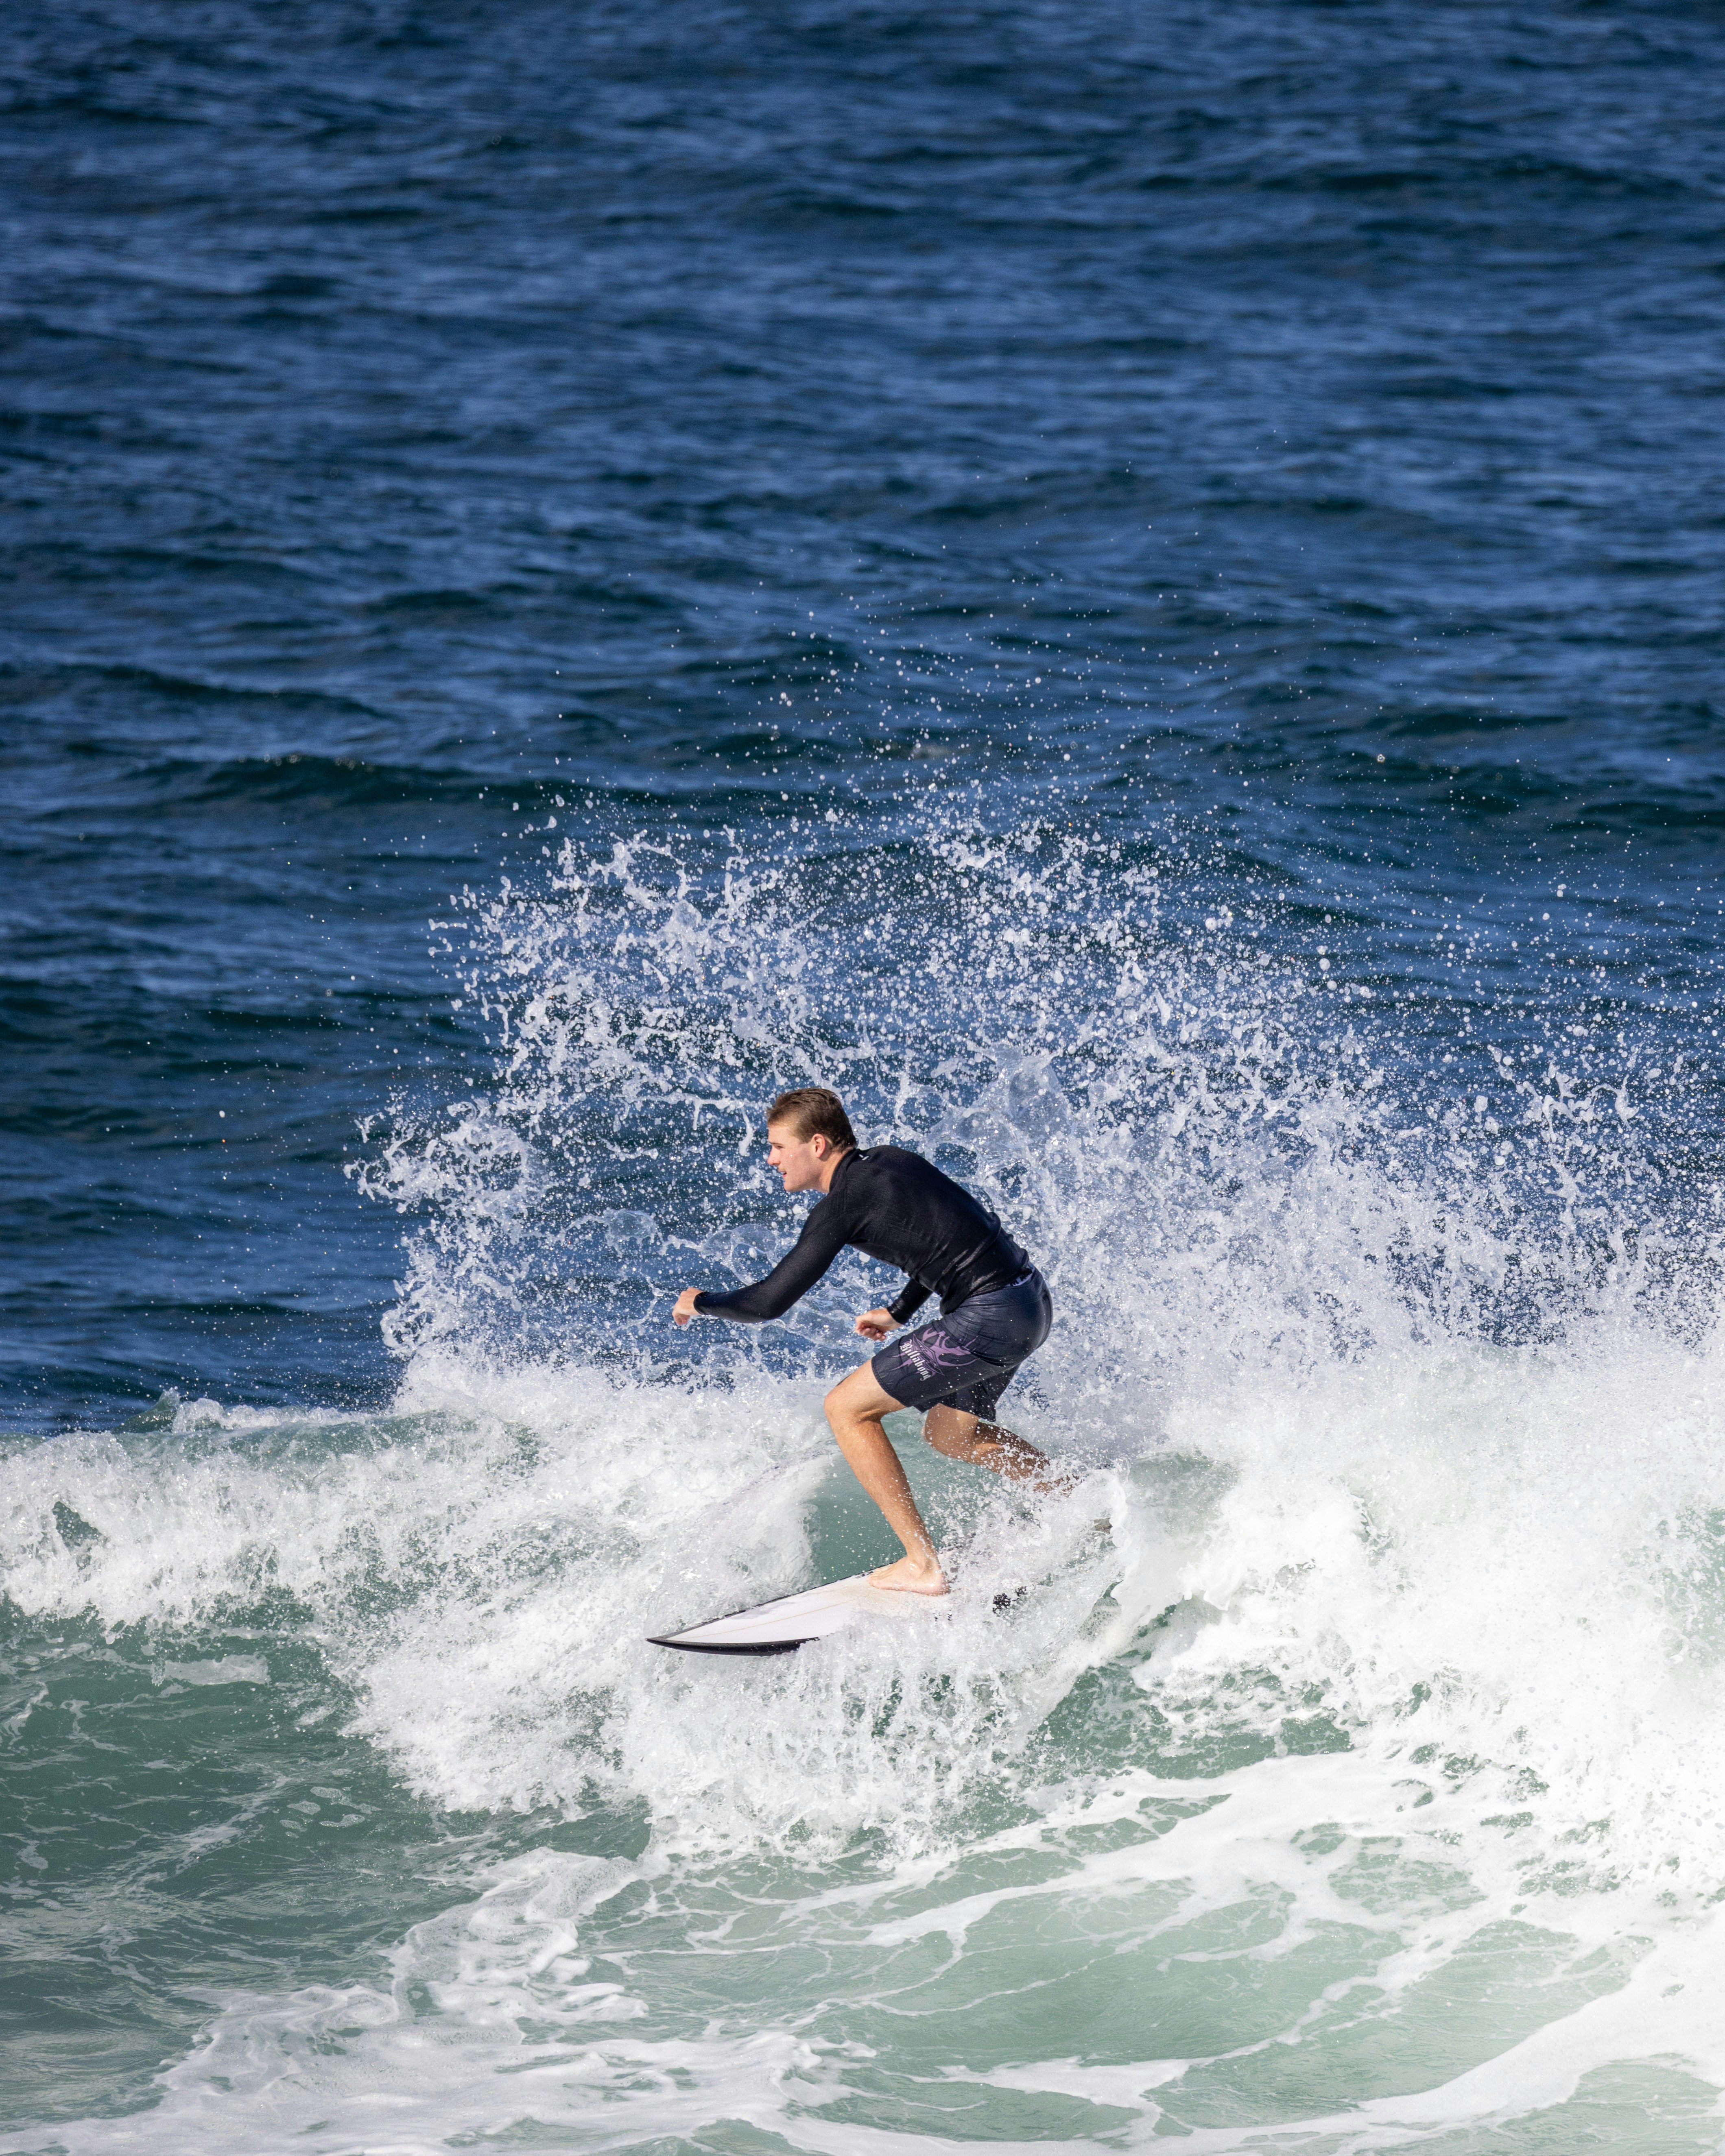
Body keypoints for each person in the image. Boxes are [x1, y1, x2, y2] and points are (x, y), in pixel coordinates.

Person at [672, 1086, 1055, 1595]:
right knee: (950, 1434)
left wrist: (698, 1301)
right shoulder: (894, 1161)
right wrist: (899, 1311)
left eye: (778, 1147)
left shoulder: (842, 1203)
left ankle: (922, 1564)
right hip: (1028, 1302)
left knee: (846, 1408)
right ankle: (1073, 1498)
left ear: (817, 1144)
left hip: (986, 1315)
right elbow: (954, 1234)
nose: (771, 1159)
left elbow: (767, 1303)